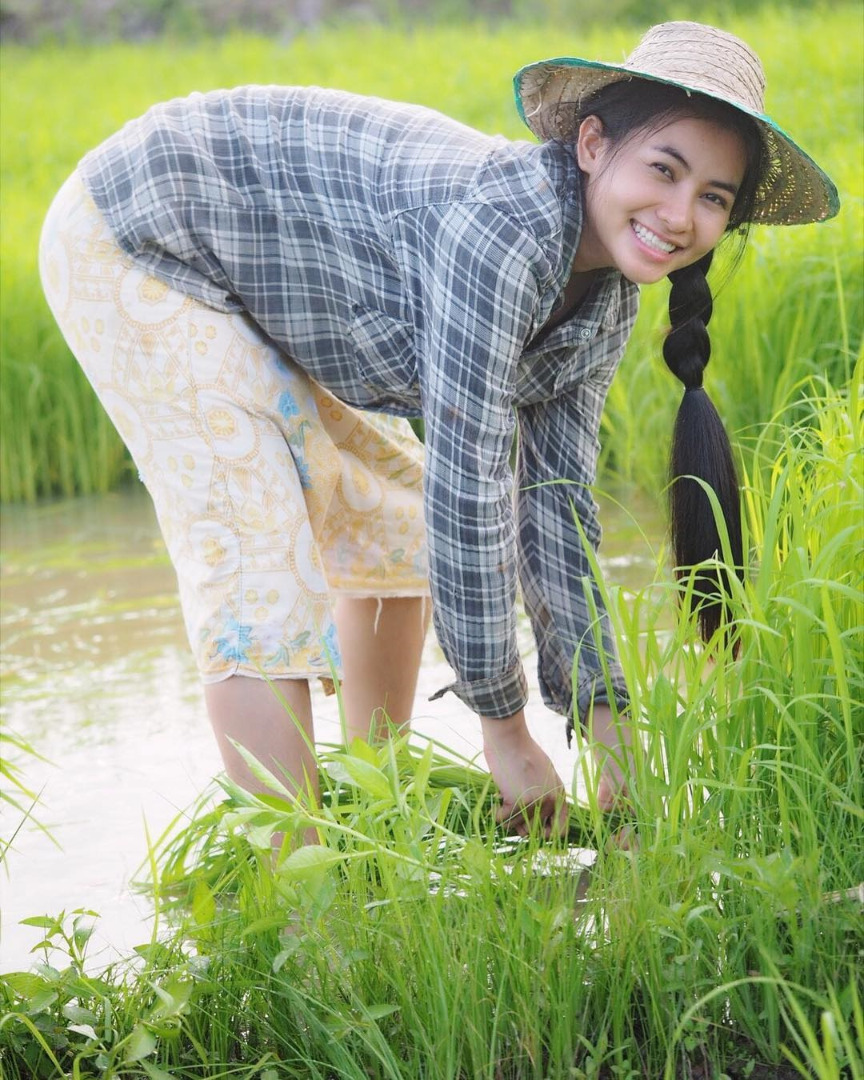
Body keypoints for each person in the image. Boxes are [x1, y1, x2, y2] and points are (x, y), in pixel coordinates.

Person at [39, 21, 838, 839]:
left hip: (256, 270)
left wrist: (611, 733)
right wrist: (506, 733)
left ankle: (376, 822)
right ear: (593, 144)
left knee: (392, 524)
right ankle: (298, 908)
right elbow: (472, 488)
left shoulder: (607, 296)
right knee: (259, 561)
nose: (678, 215)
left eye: (713, 197)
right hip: (142, 230)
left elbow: (556, 512)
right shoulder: (499, 235)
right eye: (663, 171)